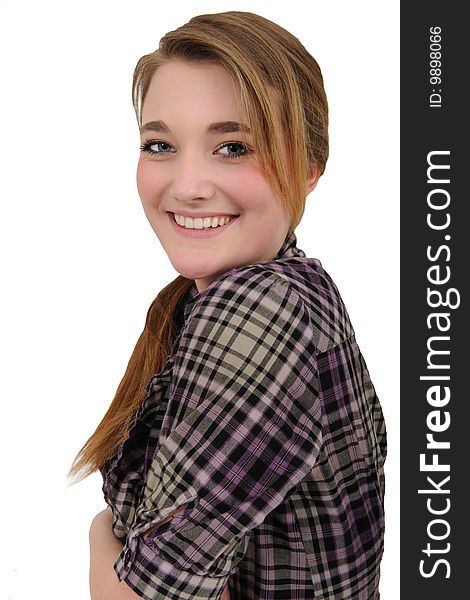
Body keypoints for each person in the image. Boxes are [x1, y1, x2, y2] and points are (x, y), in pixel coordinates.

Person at [68, 10, 387, 600]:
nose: (188, 184)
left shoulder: (260, 309)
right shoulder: (295, 289)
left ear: (310, 167)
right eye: (159, 144)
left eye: (233, 147)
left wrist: (97, 540)